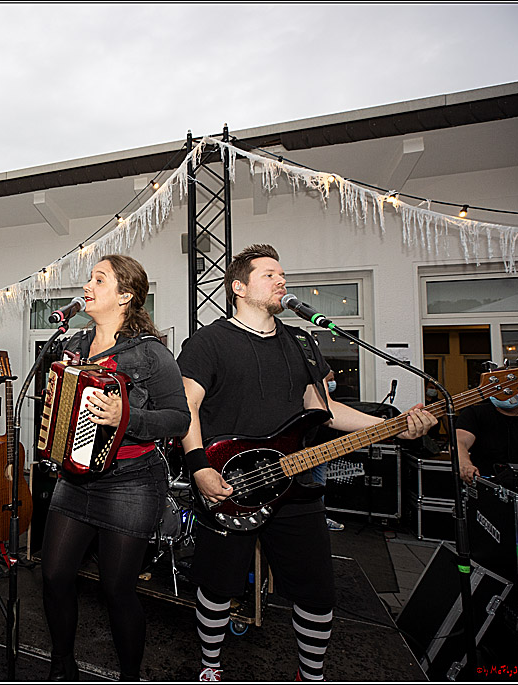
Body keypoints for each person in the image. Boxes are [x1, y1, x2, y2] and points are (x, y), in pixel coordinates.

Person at [176, 244, 436, 682]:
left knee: (317, 591)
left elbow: (323, 409)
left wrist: (391, 424)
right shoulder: (208, 341)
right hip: (228, 480)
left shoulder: (301, 341)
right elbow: (188, 406)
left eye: (283, 274)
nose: (281, 280)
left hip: (294, 484)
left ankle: (310, 676)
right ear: (239, 287)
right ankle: (210, 666)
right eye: (269, 274)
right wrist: (200, 466)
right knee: (218, 586)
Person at [41, 254, 190, 681]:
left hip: (131, 483)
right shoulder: (73, 347)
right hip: (75, 477)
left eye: (99, 280)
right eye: (90, 278)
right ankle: (62, 665)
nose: (88, 285)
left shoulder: (151, 355)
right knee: (53, 575)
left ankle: (130, 674)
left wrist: (126, 417)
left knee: (117, 588)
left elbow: (179, 419)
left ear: (125, 296)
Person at [455, 380, 518, 484]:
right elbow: (459, 441)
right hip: (486, 483)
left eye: (509, 390)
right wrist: (464, 464)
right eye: (498, 389)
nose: (503, 394)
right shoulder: (475, 413)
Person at [310, 371, 345, 532]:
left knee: (320, 485)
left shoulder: (329, 400)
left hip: (323, 450)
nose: (332, 383)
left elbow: (335, 416)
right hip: (307, 450)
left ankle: (319, 518)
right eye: (329, 380)